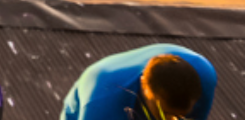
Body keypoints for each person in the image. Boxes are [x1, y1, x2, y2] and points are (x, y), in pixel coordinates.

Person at [61, 46, 217, 120]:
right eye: (166, 114)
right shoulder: (102, 105)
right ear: (146, 90)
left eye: (181, 116)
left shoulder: (204, 75)